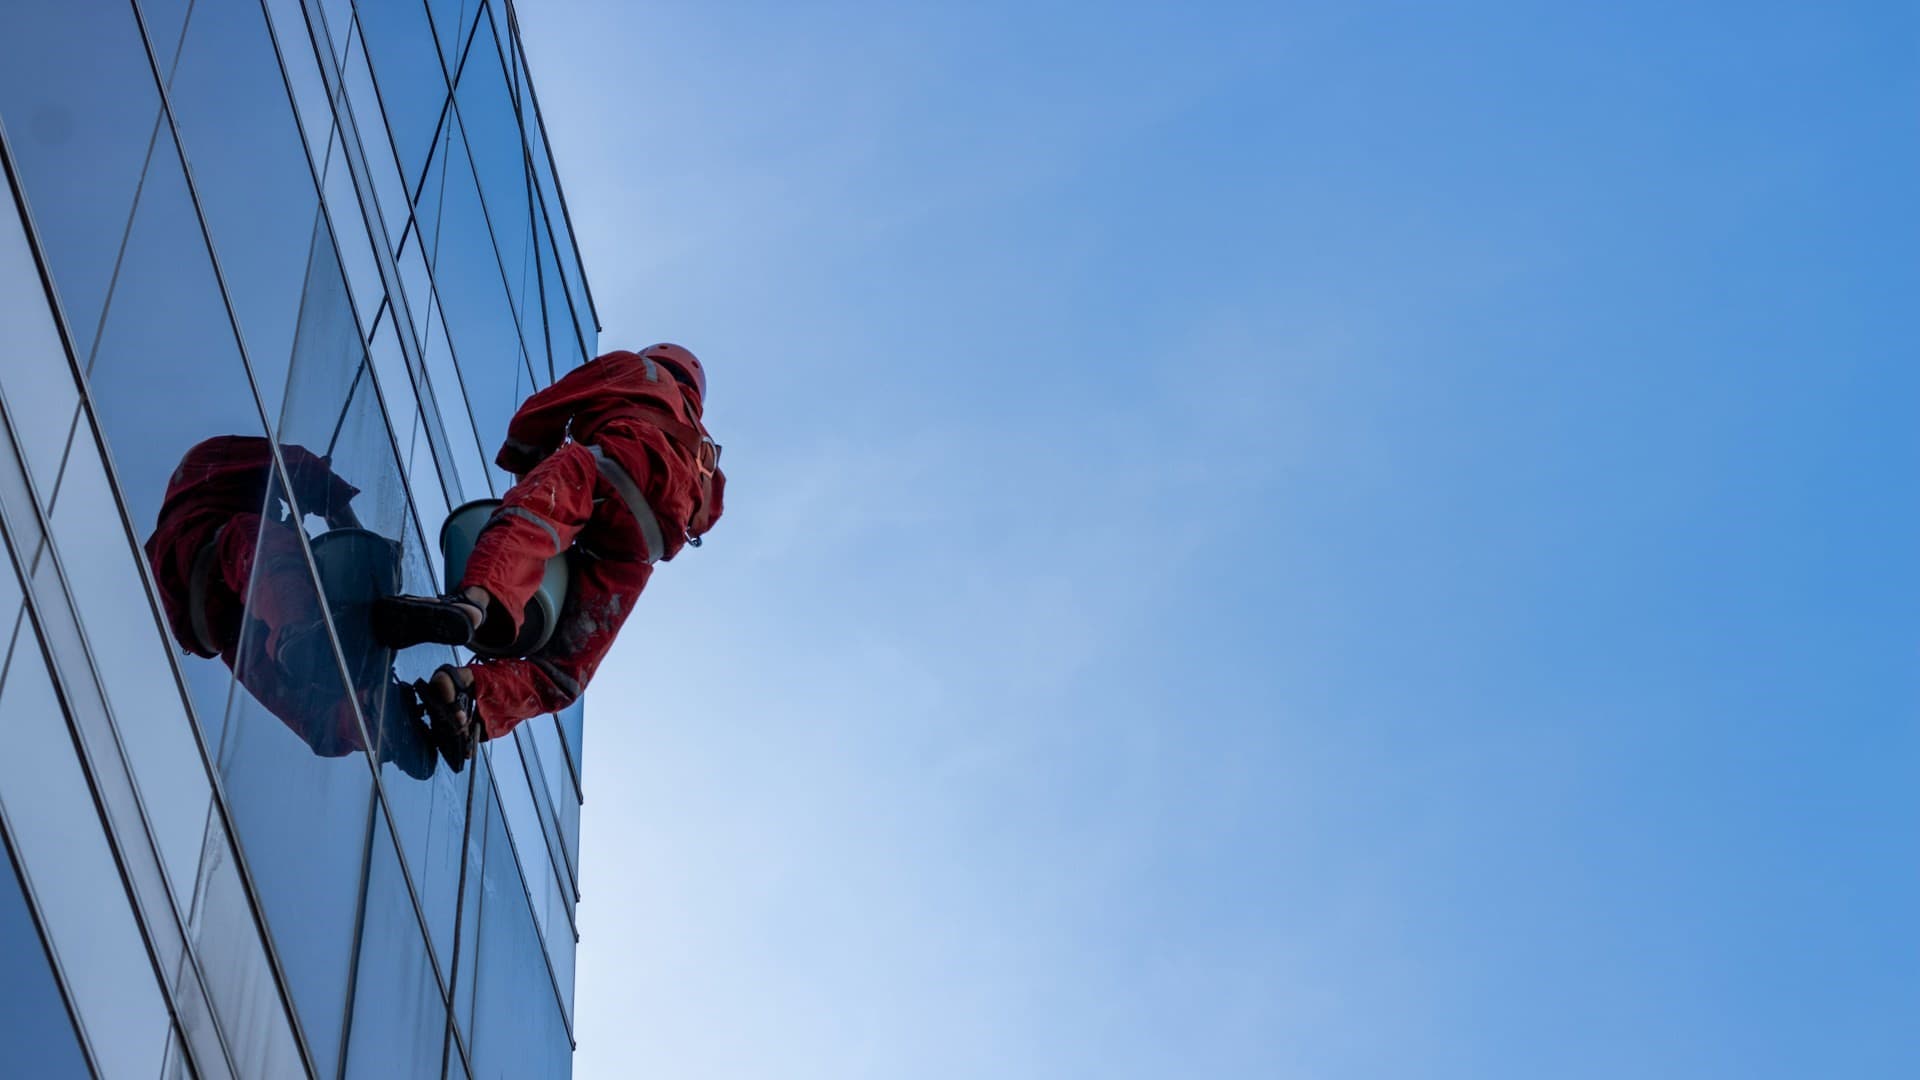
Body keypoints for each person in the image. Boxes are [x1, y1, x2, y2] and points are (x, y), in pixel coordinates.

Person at [374, 343, 726, 769]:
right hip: (636, 551)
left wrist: (533, 472)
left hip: (604, 470)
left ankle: (472, 604)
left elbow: (535, 418)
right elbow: (706, 518)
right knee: (562, 674)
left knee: (526, 522)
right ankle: (471, 697)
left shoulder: (635, 368)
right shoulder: (708, 455)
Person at [145, 435, 435, 778]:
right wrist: (357, 538)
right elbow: (296, 463)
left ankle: (371, 718)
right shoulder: (210, 466)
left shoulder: (204, 488)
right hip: (219, 559)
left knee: (308, 712)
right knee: (273, 553)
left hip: (226, 626)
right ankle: (297, 637)